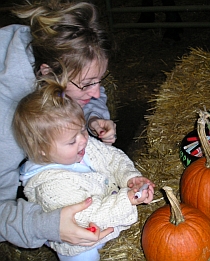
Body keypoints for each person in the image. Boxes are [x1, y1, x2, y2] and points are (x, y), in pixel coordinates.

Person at [0, 0, 118, 251]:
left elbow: (83, 90)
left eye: (99, 80)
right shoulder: (5, 124)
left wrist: (92, 118)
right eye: (87, 84)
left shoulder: (52, 56)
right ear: (47, 74)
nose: (96, 92)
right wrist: (47, 225)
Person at [12, 78, 155, 261]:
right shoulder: (50, 186)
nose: (83, 140)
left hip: (109, 208)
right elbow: (85, 218)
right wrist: (127, 200)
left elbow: (112, 158)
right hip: (82, 241)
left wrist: (129, 177)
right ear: (42, 149)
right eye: (72, 140)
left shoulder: (80, 145)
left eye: (82, 129)